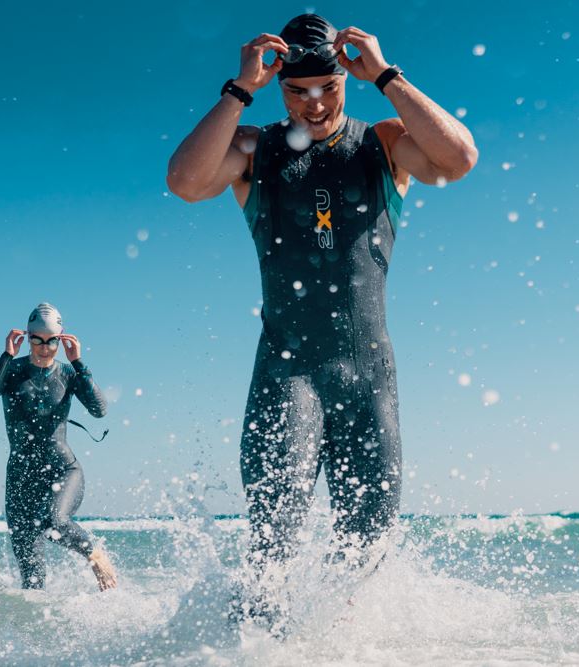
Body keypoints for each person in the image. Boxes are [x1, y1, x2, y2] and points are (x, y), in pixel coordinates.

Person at [167, 13, 477, 612]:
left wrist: (386, 74)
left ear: (347, 77)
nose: (313, 105)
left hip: (369, 378)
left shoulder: (384, 143)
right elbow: (184, 181)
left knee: (366, 554)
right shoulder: (255, 150)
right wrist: (239, 91)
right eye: (298, 92)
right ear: (279, 84)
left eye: (328, 88)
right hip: (288, 375)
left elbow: (459, 158)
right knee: (270, 550)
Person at [0, 302, 117, 591]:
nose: (44, 347)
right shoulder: (12, 371)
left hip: (63, 470)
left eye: (51, 341)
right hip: (20, 478)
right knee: (32, 578)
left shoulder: (68, 374)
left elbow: (99, 410)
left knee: (55, 521)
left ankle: (96, 555)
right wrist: (6, 356)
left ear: (60, 339)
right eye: (37, 339)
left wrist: (79, 362)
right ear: (27, 338)